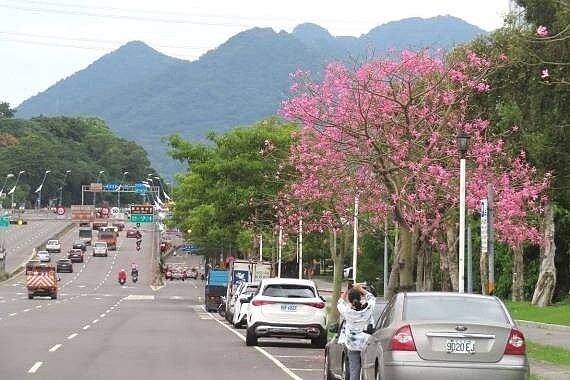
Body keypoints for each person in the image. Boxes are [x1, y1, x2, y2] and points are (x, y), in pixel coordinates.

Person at [337, 283, 376, 380]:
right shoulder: (367, 309)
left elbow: (340, 302)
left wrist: (347, 290)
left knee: (354, 370)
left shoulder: (347, 312)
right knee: (367, 369)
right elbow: (372, 298)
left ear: (349, 300)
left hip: (352, 345)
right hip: (366, 344)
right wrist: (360, 289)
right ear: (360, 298)